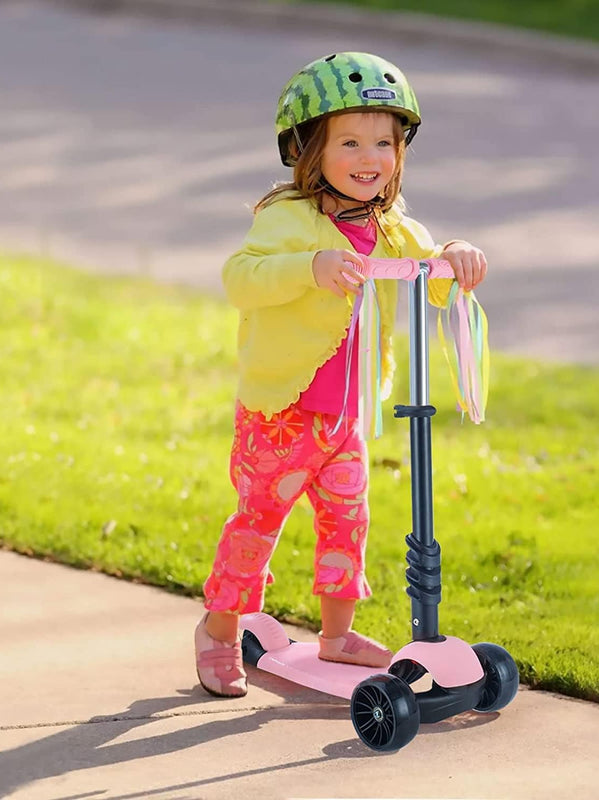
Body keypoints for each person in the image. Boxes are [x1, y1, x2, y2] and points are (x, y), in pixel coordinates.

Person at [195, 52, 487, 697]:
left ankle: (335, 634)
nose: (369, 155)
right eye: (349, 141)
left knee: (347, 525)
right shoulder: (288, 219)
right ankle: (218, 631)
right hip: (281, 413)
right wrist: (310, 265)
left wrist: (455, 257)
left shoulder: (390, 226)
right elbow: (240, 278)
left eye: (383, 141)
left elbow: (430, 271)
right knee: (256, 527)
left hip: (346, 416)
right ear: (306, 149)